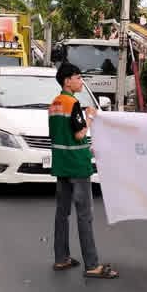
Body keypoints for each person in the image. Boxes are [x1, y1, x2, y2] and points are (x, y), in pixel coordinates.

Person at [49, 62, 118, 279]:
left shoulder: (54, 104)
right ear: (67, 81)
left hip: (61, 164)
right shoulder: (72, 103)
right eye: (78, 78)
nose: (81, 81)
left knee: (62, 214)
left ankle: (61, 258)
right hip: (77, 166)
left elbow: (60, 135)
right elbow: (79, 134)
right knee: (84, 215)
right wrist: (90, 117)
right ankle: (92, 265)